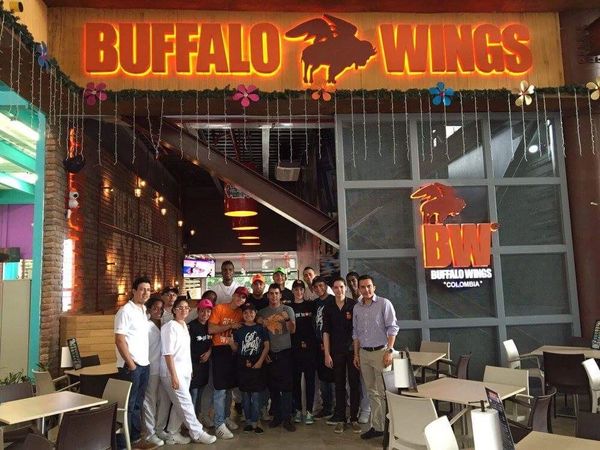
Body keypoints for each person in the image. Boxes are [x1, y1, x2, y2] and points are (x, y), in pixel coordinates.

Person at [160, 298, 217, 444]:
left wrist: (189, 370)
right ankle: (197, 433)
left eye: (186, 308)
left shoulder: (184, 325)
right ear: (174, 310)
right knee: (186, 403)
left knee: (179, 404)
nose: (184, 310)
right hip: (172, 372)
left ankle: (173, 432)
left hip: (184, 371)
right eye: (180, 308)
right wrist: (173, 376)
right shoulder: (169, 326)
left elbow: (185, 352)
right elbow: (168, 353)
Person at [352, 275, 399, 440]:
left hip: (381, 353)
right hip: (364, 353)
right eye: (363, 287)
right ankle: (378, 427)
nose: (366, 290)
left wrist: (389, 351)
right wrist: (356, 354)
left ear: (374, 287)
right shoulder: (357, 308)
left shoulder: (384, 304)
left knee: (384, 393)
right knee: (371, 392)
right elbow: (356, 333)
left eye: (369, 286)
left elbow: (393, 328)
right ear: (359, 289)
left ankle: (390, 430)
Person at [114, 276, 152, 447]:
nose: (145, 293)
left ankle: (135, 439)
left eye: (148, 290)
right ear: (134, 291)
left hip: (144, 364)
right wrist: (131, 364)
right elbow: (119, 340)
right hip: (131, 366)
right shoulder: (125, 311)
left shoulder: (143, 310)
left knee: (138, 403)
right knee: (128, 405)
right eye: (142, 289)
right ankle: (123, 444)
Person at [208, 286, 247, 439]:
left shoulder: (240, 313)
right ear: (233, 295)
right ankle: (218, 424)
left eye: (243, 297)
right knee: (220, 390)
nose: (240, 299)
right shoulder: (219, 308)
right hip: (219, 351)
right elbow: (211, 329)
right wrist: (230, 325)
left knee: (229, 388)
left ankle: (225, 418)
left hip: (232, 352)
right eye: (238, 295)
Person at [323, 277, 361, 434]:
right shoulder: (328, 307)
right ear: (332, 289)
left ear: (345, 288)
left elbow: (357, 331)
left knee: (354, 384)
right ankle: (341, 418)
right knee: (339, 385)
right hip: (336, 351)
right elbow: (326, 332)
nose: (339, 290)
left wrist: (357, 354)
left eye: (341, 287)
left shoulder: (354, 305)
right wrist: (327, 354)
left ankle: (354, 418)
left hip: (352, 351)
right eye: (336, 287)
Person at [257, 284, 297, 432]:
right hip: (270, 353)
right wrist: (265, 353)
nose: (274, 296)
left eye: (276, 293)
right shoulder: (262, 312)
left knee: (287, 387)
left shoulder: (288, 309)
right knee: (273, 387)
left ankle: (287, 418)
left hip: (285, 352)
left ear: (280, 295)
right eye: (271, 293)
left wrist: (287, 320)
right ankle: (277, 416)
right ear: (268, 295)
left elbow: (293, 330)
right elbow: (259, 334)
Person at [231, 303, 270, 434]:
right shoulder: (239, 329)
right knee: (245, 395)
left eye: (251, 312)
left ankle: (256, 421)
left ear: (255, 313)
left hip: (257, 362)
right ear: (242, 315)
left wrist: (260, 361)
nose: (249, 315)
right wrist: (231, 343)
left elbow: (266, 346)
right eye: (246, 313)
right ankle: (248, 421)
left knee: (256, 394)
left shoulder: (260, 328)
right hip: (242, 364)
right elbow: (236, 348)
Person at [142, 297, 170, 446]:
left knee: (165, 399)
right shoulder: (146, 326)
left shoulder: (165, 325)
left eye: (161, 308)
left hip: (164, 368)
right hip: (151, 367)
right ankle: (149, 433)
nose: (158, 311)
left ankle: (160, 428)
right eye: (155, 308)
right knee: (150, 400)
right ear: (149, 309)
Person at [289, 280, 317, 425]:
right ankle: (298, 410)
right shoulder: (288, 308)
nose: (299, 292)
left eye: (301, 289)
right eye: (296, 289)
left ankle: (310, 411)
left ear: (304, 291)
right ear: (292, 291)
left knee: (310, 381)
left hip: (311, 349)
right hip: (294, 349)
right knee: (296, 381)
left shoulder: (311, 305)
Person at [312, 276, 335, 420]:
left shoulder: (333, 300)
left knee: (333, 377)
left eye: (321, 285)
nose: (319, 289)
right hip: (317, 344)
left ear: (326, 286)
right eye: (316, 287)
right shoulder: (315, 303)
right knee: (322, 378)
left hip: (332, 345)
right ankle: (326, 407)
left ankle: (335, 407)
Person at [189, 299, 213, 418]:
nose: (205, 314)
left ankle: (197, 418)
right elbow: (186, 348)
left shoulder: (211, 326)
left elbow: (214, 342)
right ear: (198, 311)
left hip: (205, 365)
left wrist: (209, 352)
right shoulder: (191, 326)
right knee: (193, 393)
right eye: (202, 311)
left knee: (201, 394)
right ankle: (191, 421)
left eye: (208, 311)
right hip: (193, 364)